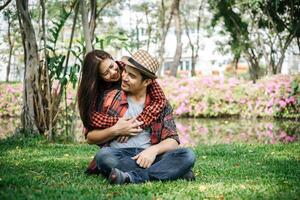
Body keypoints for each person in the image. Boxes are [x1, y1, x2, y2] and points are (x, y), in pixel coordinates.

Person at [87, 49, 196, 184]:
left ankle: (130, 177)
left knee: (188, 155)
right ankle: (171, 172)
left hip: (150, 155)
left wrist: (153, 150)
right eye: (125, 71)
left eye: (132, 76)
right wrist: (116, 130)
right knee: (103, 156)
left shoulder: (160, 104)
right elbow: (90, 136)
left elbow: (173, 140)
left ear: (146, 82)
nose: (124, 77)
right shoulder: (109, 98)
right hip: (120, 155)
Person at [77, 50, 168, 174]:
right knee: (103, 156)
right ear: (99, 77)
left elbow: (160, 99)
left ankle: (135, 172)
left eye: (112, 66)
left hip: (148, 152)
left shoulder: (135, 70)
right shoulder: (106, 97)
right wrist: (118, 126)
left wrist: (135, 124)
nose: (114, 73)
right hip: (117, 151)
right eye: (106, 73)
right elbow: (91, 127)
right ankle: (162, 170)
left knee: (187, 155)